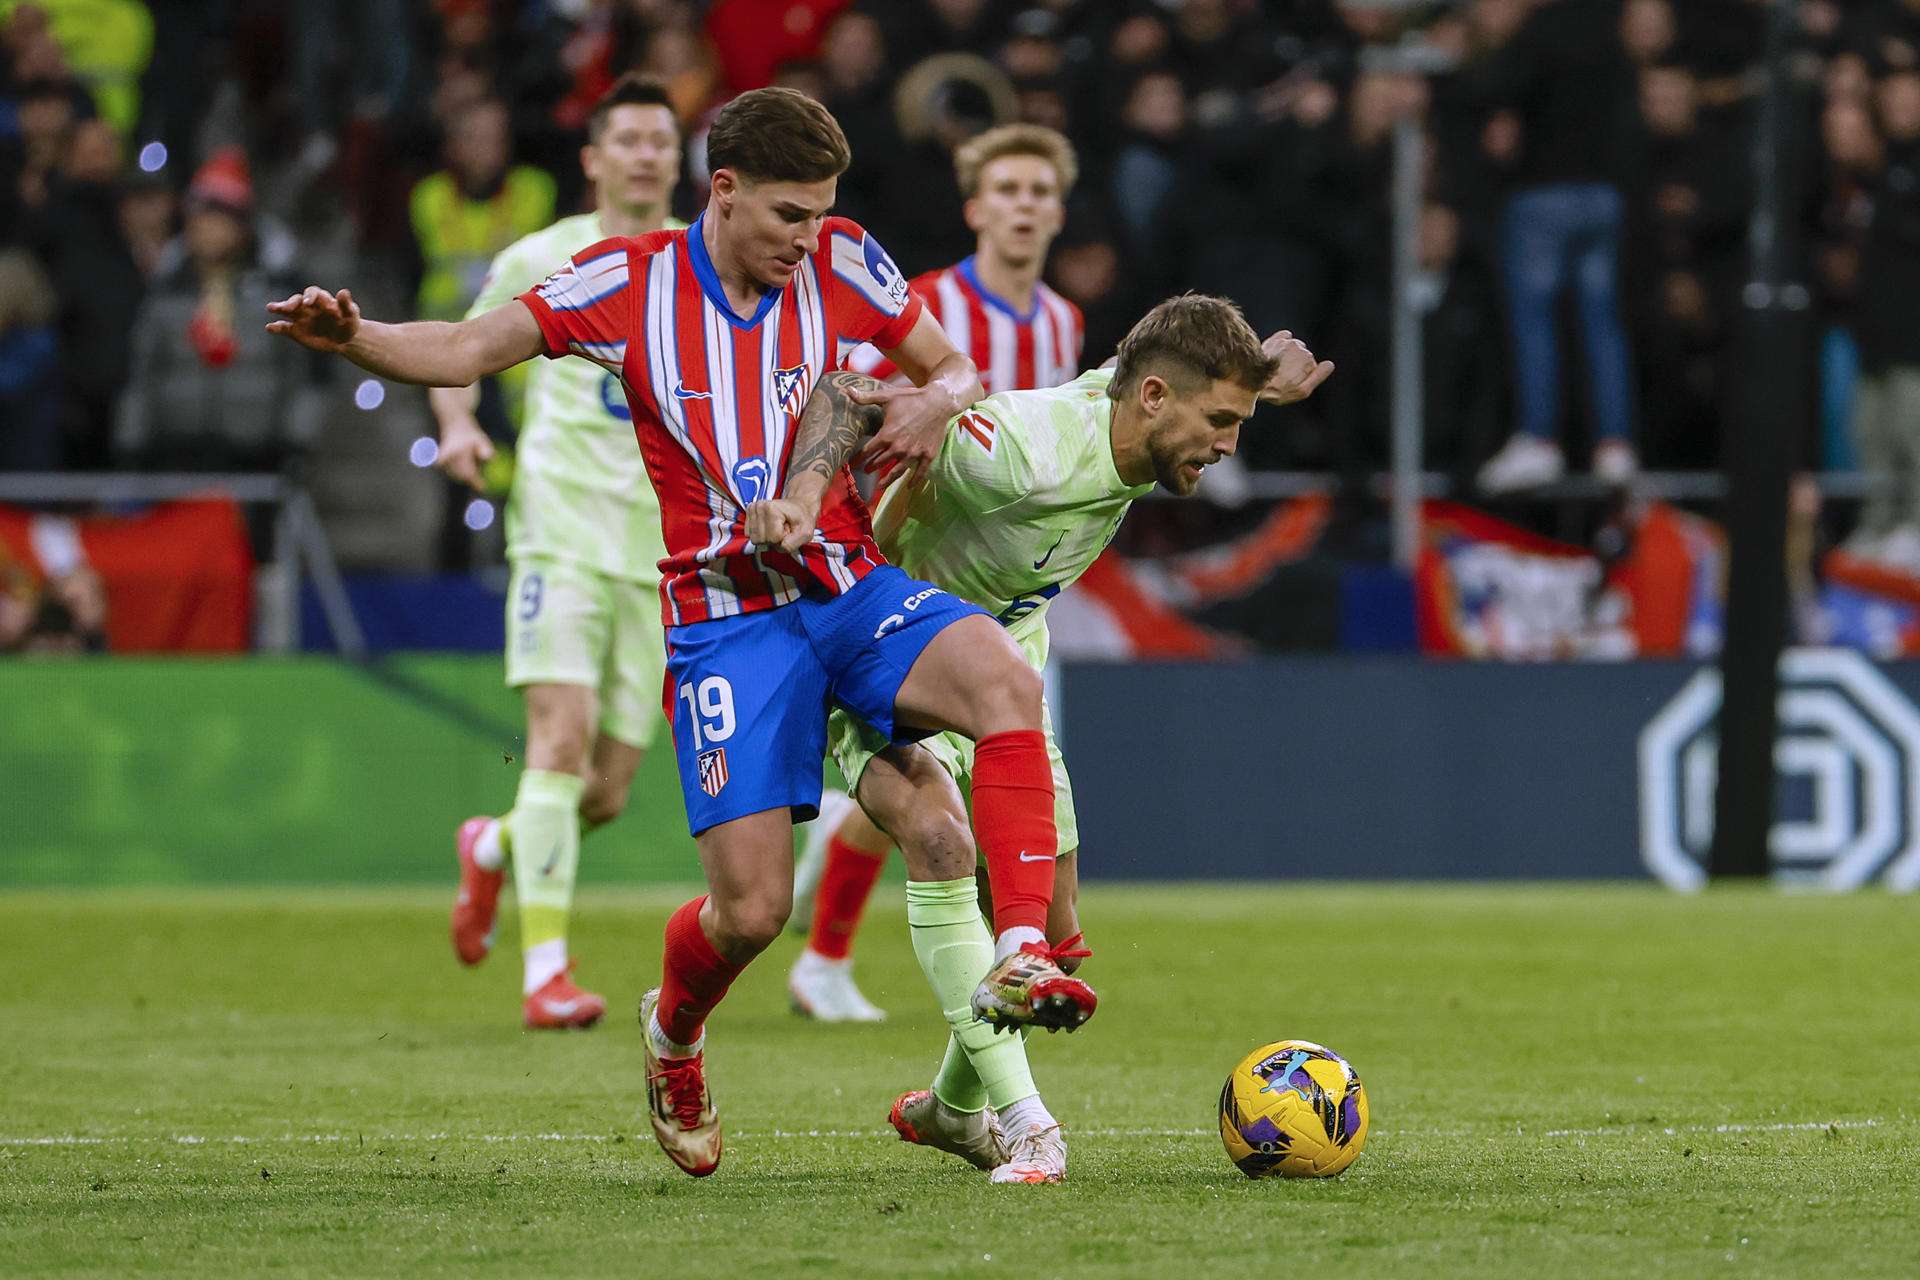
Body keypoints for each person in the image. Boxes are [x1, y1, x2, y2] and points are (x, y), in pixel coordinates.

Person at [264, 87, 1094, 1180]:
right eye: (790, 214)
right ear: (725, 190)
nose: (810, 238)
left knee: (1001, 680)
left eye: (822, 214)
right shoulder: (627, 281)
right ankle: (673, 1032)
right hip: (725, 619)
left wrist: (937, 400)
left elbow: (951, 366)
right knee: (750, 911)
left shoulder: (847, 257)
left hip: (846, 582)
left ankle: (1023, 947)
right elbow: (465, 348)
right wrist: (357, 336)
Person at [747, 294, 1333, 1182]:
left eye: (1238, 423)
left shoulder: (1131, 408)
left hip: (1005, 659)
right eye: (1221, 422)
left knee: (1056, 937)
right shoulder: (1020, 452)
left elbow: (1152, 349)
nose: (1227, 446)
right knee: (942, 842)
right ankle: (1029, 1125)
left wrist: (1257, 382)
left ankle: (954, 1107)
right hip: (888, 648)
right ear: (1154, 400)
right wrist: (813, 489)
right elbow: (846, 396)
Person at [790, 122, 1083, 1023]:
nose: (1024, 207)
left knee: (972, 785)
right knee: (923, 776)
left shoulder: (1063, 322)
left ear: (1058, 212)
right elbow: (843, 406)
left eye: (1040, 192)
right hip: (914, 568)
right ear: (976, 209)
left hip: (1012, 593)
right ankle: (831, 958)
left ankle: (872, 949)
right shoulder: (926, 306)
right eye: (1008, 191)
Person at [432, 76, 685, 1031]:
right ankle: (546, 974)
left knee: (605, 792)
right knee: (559, 741)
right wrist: (459, 426)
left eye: (660, 140)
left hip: (660, 554)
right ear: (593, 158)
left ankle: (494, 848)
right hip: (559, 531)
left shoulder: (700, 260)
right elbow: (459, 351)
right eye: (628, 139)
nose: (645, 155)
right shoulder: (542, 255)